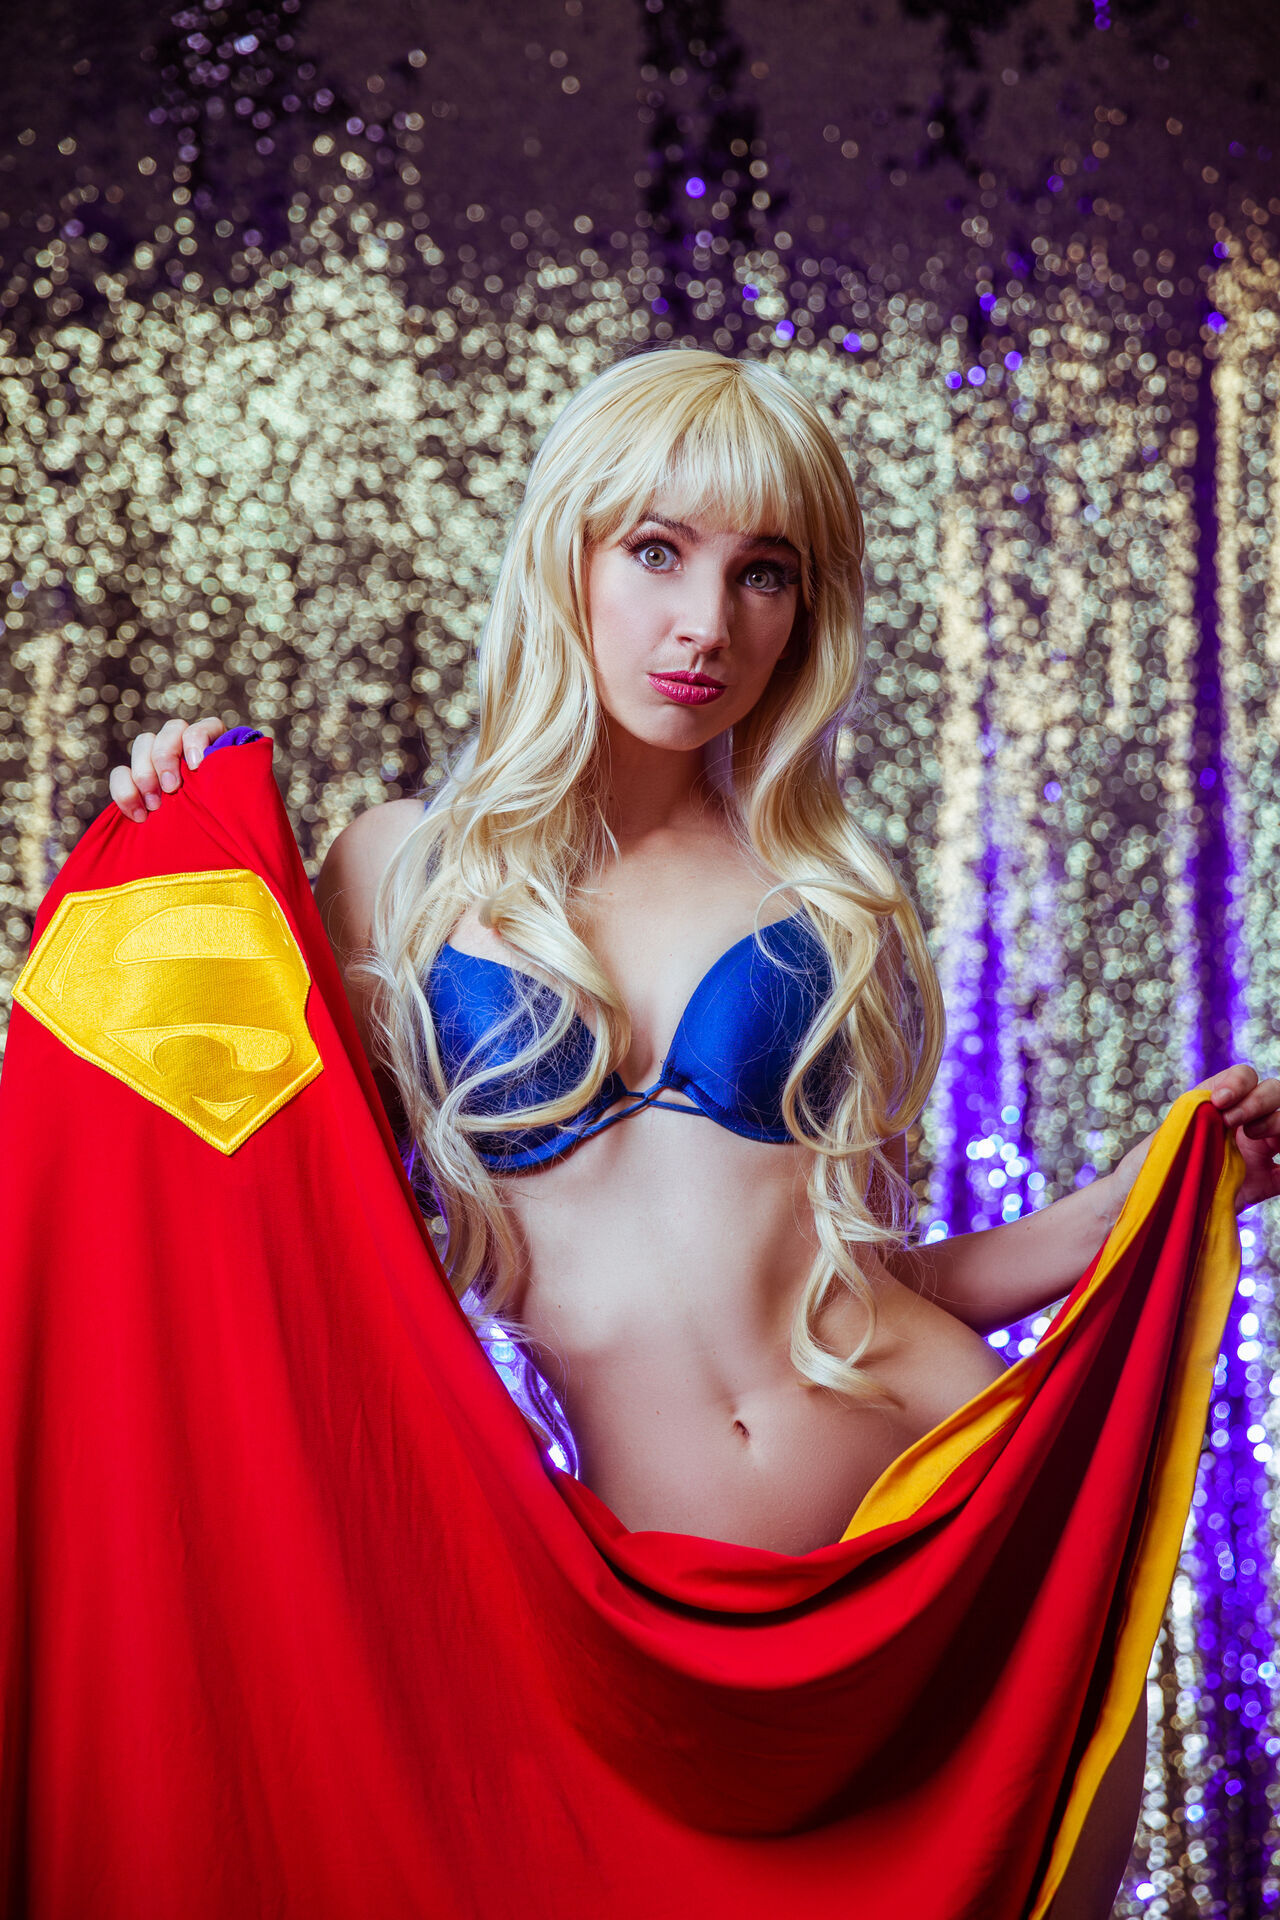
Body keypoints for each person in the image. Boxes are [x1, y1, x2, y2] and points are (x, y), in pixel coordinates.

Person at [106, 347, 1280, 1919]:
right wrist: (174, 836)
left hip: (943, 1536)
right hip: (645, 1618)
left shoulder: (836, 900)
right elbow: (268, 1212)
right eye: (657, 550)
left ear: (806, 612)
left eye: (763, 573)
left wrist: (1141, 1198)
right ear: (567, 554)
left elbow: (869, 1279)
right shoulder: (392, 873)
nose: (706, 624)